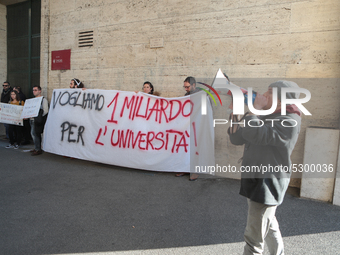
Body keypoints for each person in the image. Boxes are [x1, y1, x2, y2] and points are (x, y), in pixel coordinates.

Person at [228, 81, 302, 255]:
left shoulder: (289, 120)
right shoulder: (266, 115)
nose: (264, 94)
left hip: (268, 183)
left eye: (270, 92)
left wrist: (254, 110)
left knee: (253, 240)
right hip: (255, 179)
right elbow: (237, 138)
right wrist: (236, 113)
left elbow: (258, 135)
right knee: (269, 225)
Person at [176, 76, 200, 181]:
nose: (185, 89)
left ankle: (195, 171)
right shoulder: (186, 96)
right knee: (187, 148)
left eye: (187, 87)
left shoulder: (201, 95)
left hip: (198, 126)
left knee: (196, 149)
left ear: (193, 85)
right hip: (189, 126)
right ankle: (186, 168)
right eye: (184, 87)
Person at [30, 85, 49, 156]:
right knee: (33, 134)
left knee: (36, 134)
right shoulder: (32, 100)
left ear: (39, 91)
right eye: (33, 90)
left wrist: (39, 117)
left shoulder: (43, 100)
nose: (34, 92)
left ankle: (38, 149)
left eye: (35, 90)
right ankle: (36, 147)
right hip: (31, 119)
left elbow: (45, 111)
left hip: (37, 120)